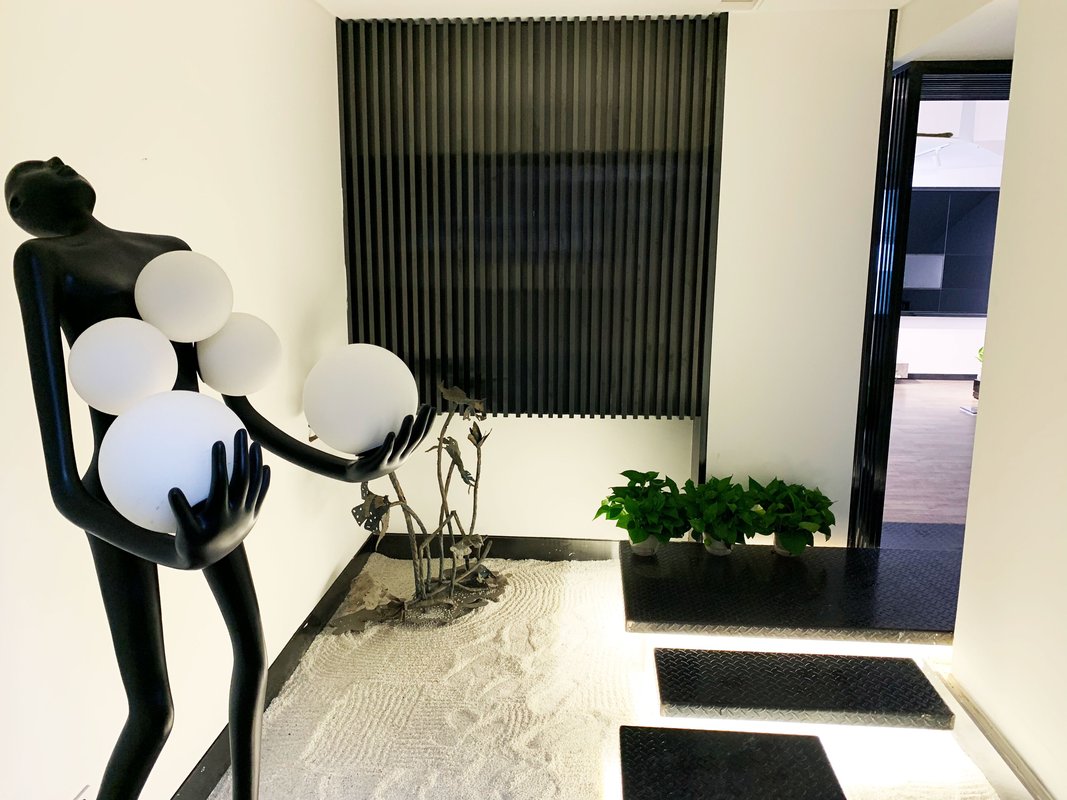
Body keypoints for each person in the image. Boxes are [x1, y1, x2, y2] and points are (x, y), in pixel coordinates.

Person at [6, 157, 436, 800]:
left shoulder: (167, 251)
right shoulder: (42, 260)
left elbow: (235, 406)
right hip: (118, 490)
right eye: (30, 174)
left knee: (253, 655)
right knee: (153, 711)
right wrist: (175, 554)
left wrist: (344, 468)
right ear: (21, 210)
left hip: (210, 476)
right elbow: (64, 488)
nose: (56, 164)